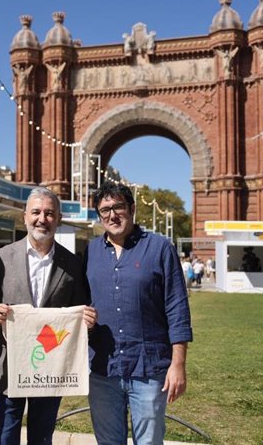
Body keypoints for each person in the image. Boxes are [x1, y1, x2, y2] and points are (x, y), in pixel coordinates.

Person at [0, 187, 97, 445]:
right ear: (24, 216)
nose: (42, 219)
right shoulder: (1, 258)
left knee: (41, 438)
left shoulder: (71, 264)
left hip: (50, 367)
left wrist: (87, 324)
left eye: (49, 213)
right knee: (3, 437)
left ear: (58, 219)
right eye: (36, 212)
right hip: (8, 367)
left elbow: (79, 311)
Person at [84, 182, 193, 445]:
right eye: (105, 210)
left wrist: (178, 365)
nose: (112, 215)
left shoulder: (159, 248)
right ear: (99, 216)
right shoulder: (89, 252)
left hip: (149, 368)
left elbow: (177, 307)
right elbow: (76, 302)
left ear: (132, 208)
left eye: (118, 207)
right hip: (102, 370)